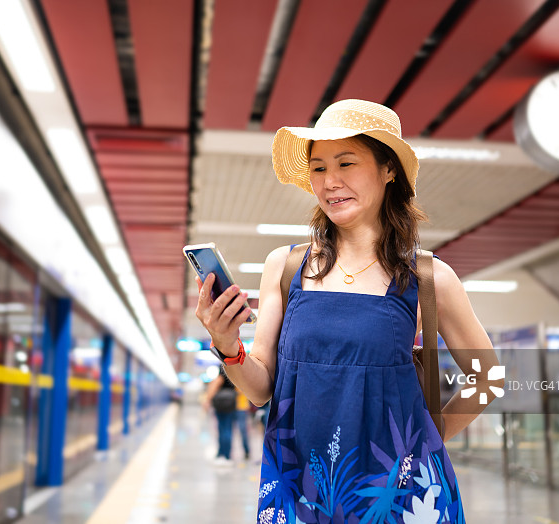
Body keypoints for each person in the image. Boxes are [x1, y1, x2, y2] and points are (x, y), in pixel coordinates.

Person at [194, 99, 503, 522]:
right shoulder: (285, 269)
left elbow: (489, 378)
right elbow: (261, 387)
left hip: (400, 498)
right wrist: (228, 345)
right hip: (300, 488)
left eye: (346, 163)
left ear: (388, 169)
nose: (330, 182)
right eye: (318, 168)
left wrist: (432, 436)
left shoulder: (428, 279)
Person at [203, 369, 238, 466]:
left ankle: (223, 455)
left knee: (223, 429)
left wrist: (208, 399)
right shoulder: (236, 365)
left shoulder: (223, 365)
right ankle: (225, 454)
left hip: (221, 402)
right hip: (231, 401)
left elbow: (218, 382)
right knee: (228, 428)